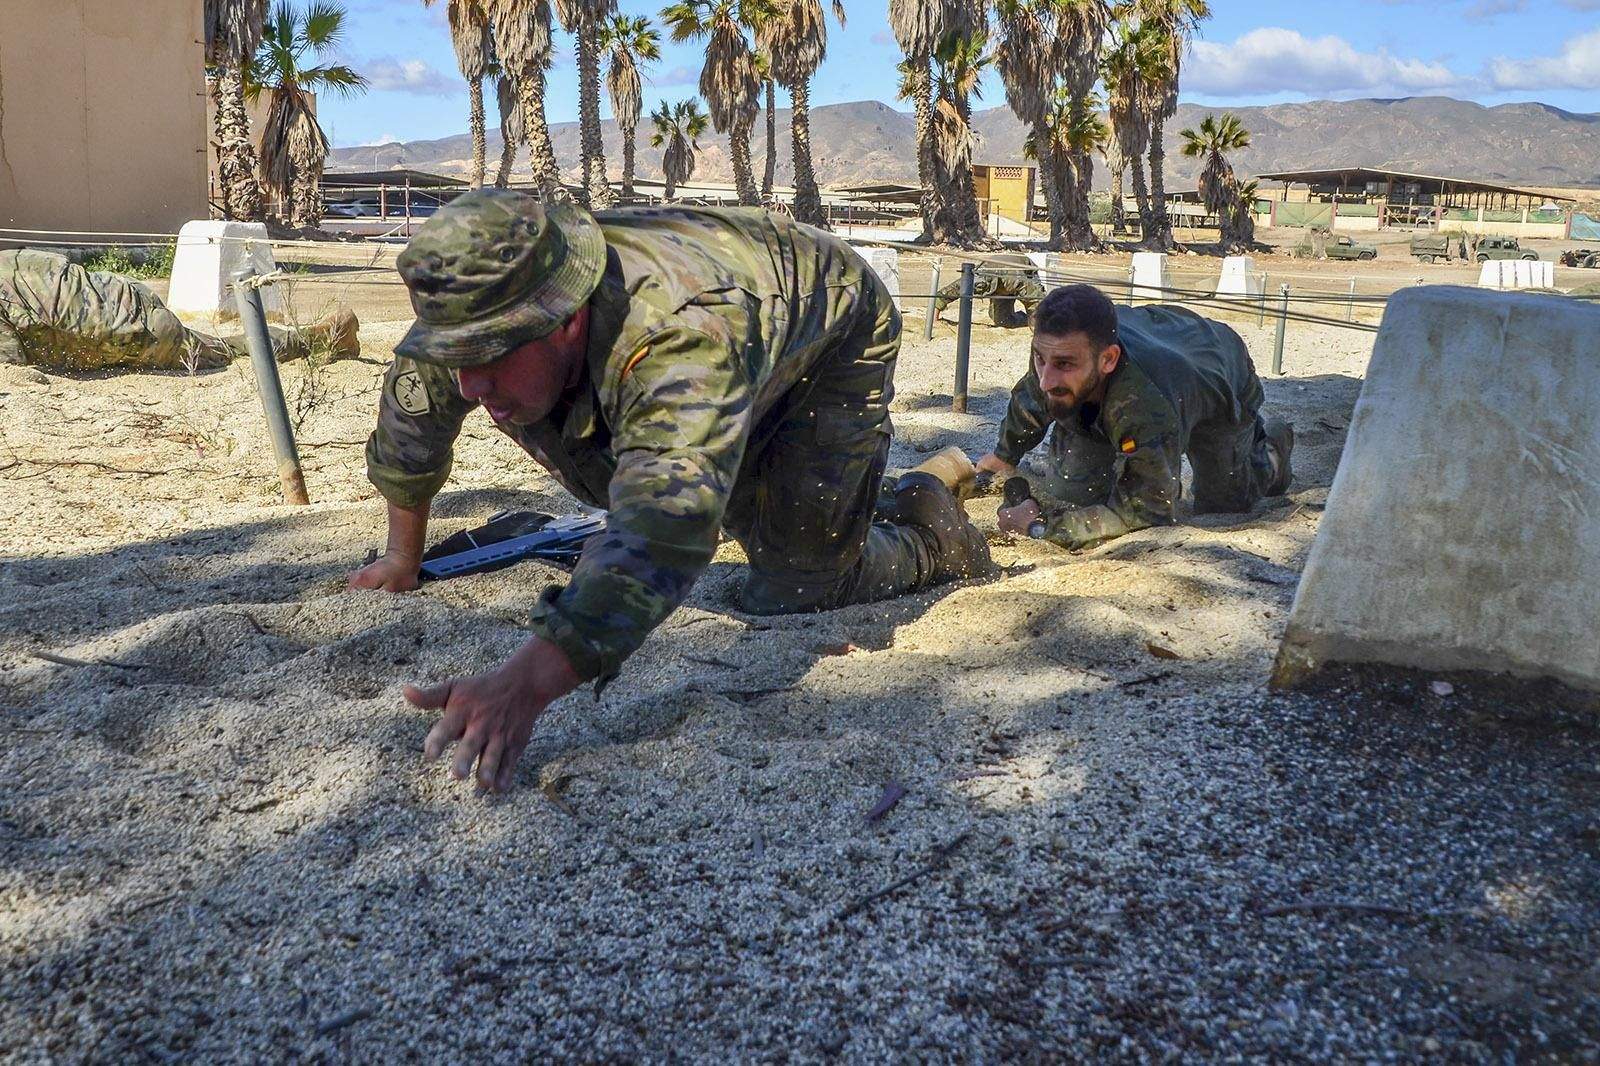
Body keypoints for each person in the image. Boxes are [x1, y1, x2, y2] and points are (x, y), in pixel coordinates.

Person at [349, 189, 992, 791]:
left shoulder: (678, 338)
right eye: (456, 357)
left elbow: (668, 517)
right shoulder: (472, 309)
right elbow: (413, 424)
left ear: (565, 322)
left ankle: (934, 526)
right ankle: (841, 497)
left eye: (489, 357)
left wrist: (524, 683)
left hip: (828, 329)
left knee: (797, 584)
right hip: (734, 337)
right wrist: (404, 558)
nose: (469, 385)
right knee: (654, 470)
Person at [981, 284, 1293, 551]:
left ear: (1108, 359)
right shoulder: (1057, 348)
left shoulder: (1147, 408)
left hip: (1218, 371)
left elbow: (1147, 514)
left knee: (1222, 504)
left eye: (1064, 364)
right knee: (1071, 495)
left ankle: (1272, 453)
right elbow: (1031, 396)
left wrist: (1040, 528)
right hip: (1148, 345)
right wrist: (1004, 455)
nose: (1047, 378)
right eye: (1040, 358)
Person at [0, 248, 360, 371]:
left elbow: (12, 363)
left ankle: (323, 338)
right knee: (221, 345)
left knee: (224, 351)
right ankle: (322, 336)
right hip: (129, 296)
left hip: (134, 335)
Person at [931, 252, 1046, 328]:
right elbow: (946, 293)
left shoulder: (1013, 280)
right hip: (1000, 280)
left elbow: (1036, 299)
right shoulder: (973, 277)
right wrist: (934, 320)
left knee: (1037, 319)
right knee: (1002, 321)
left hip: (1024, 271)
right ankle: (1023, 319)